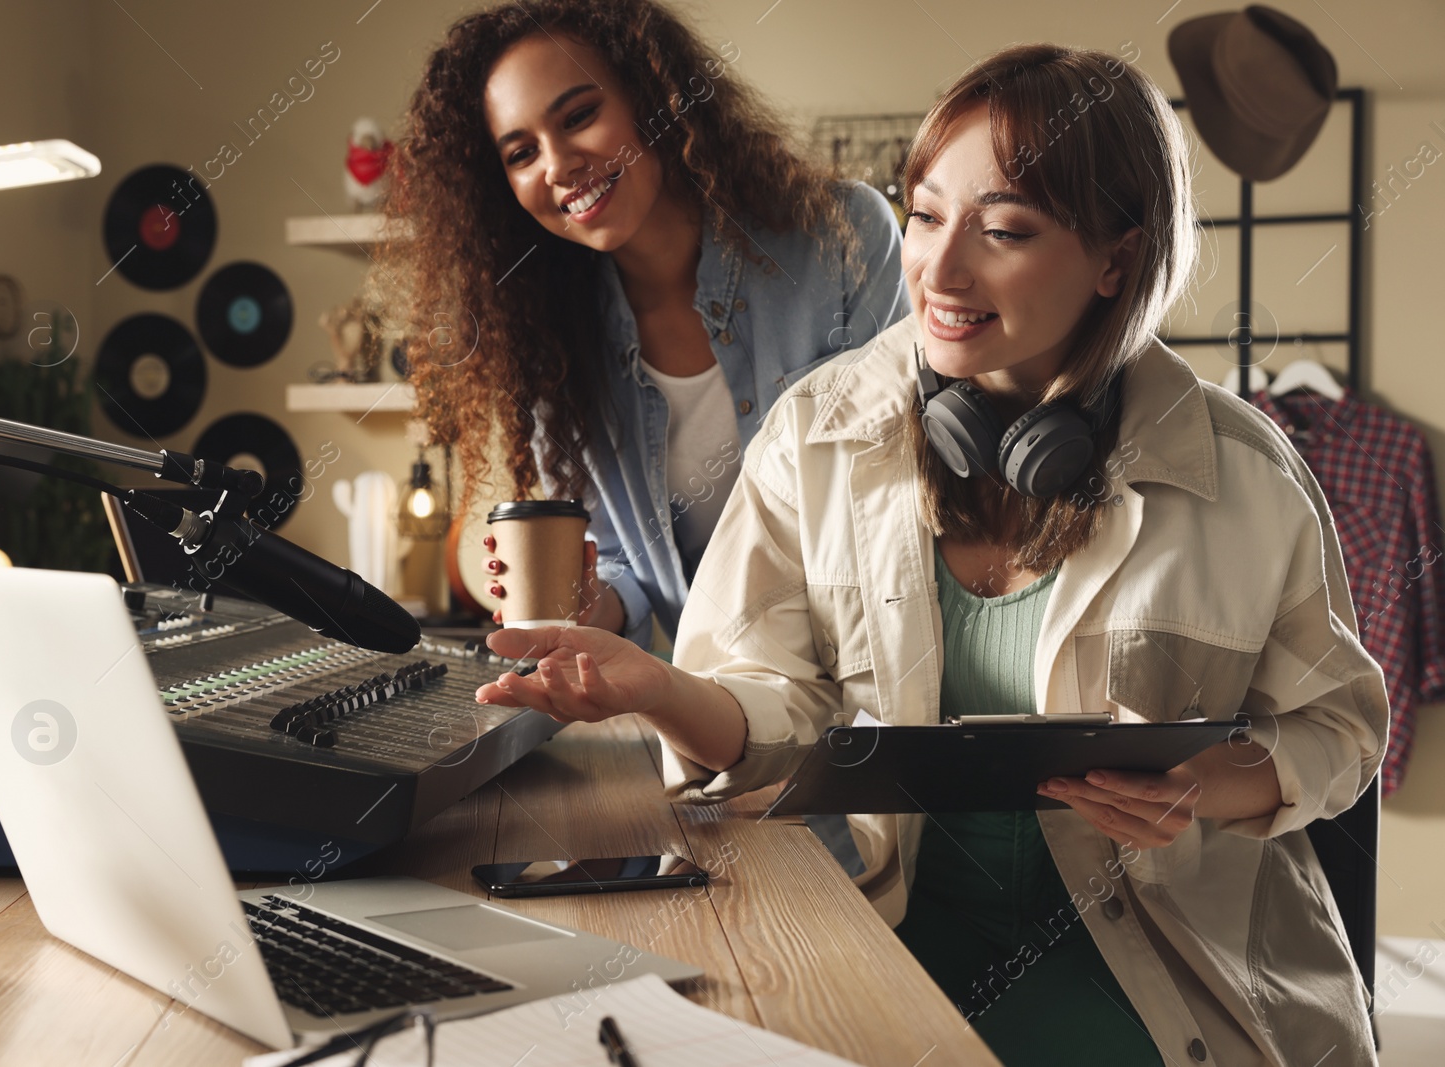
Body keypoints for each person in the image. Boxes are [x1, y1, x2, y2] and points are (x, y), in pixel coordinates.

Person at [474, 42, 1387, 1067]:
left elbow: (1339, 725)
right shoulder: (815, 433)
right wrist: (659, 687)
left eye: (1002, 230)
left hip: (1161, 966)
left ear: (1115, 261)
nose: (938, 271)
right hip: (893, 942)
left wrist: (1215, 784)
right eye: (922, 214)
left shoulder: (1243, 470)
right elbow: (777, 716)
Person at [394, 0, 907, 648]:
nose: (556, 165)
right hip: (719, 704)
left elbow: (903, 485)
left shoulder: (844, 236)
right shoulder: (554, 343)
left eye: (579, 116)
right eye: (521, 153)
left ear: (651, 97)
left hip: (876, 667)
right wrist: (582, 599)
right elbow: (622, 569)